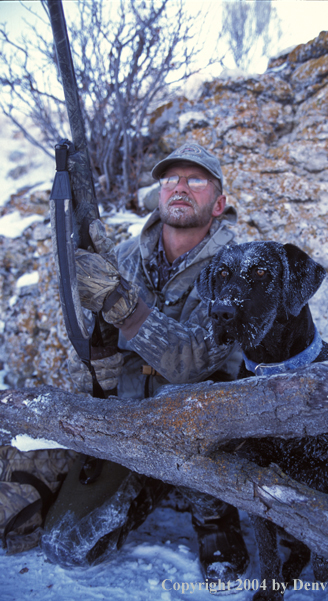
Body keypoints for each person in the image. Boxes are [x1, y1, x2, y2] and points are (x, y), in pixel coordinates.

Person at [41, 143, 251, 586]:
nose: (179, 188)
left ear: (219, 204)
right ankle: (143, 485)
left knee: (204, 425)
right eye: (170, 179)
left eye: (196, 180)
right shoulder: (124, 255)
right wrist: (75, 262)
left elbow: (193, 362)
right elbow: (92, 341)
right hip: (131, 420)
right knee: (68, 545)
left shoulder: (238, 267)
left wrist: (121, 304)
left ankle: (214, 519)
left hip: (203, 427)